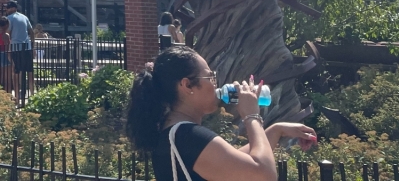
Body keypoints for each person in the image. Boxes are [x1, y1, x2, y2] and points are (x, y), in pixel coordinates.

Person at [126, 46, 317, 181]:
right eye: (210, 77)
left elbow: (232, 162)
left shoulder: (176, 133)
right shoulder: (189, 136)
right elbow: (264, 175)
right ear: (187, 85)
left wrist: (276, 131)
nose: (215, 83)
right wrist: (252, 116)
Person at [4, 0, 34, 98]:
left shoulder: (9, 18)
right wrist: (32, 47)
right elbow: (31, 32)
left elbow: (7, 34)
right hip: (27, 47)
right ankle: (32, 95)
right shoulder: (25, 17)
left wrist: (8, 49)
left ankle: (17, 96)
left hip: (16, 48)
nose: (6, 9)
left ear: (13, 8)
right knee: (30, 72)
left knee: (16, 72)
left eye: (8, 8)